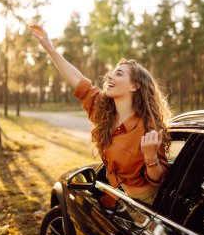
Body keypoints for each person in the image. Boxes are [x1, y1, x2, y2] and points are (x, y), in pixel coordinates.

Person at [30, 24, 171, 205]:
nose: (110, 77)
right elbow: (77, 80)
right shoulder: (104, 110)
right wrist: (50, 48)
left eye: (118, 74)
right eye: (111, 73)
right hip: (122, 197)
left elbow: (159, 179)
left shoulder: (148, 127)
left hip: (147, 202)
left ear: (134, 86)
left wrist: (150, 157)